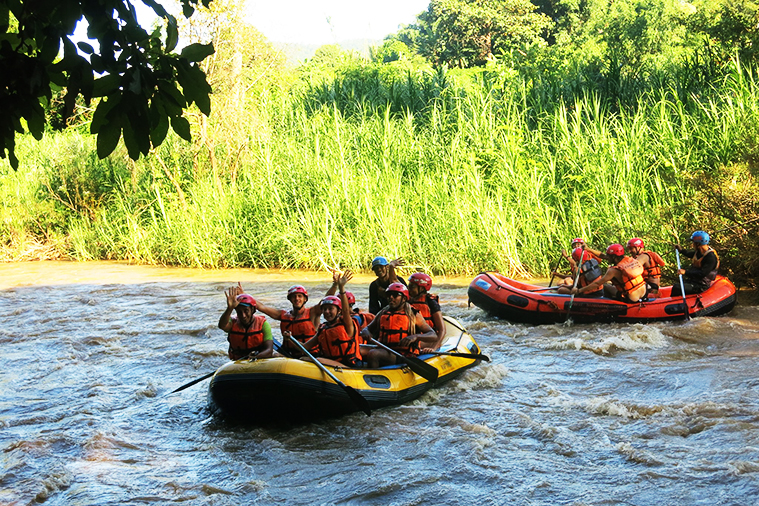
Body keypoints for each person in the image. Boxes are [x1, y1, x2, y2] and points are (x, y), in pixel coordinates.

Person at [360, 282, 437, 368]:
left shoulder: (413, 315)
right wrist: (365, 331)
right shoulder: (383, 313)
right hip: (384, 350)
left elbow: (433, 335)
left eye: (395, 295)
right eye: (388, 295)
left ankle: (372, 378)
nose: (391, 298)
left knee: (373, 354)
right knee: (356, 349)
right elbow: (368, 328)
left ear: (404, 298)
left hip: (403, 355)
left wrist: (415, 337)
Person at [297, 270, 363, 368]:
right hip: (332, 365)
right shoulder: (323, 329)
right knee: (303, 359)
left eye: (330, 309)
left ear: (338, 311)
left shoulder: (346, 325)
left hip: (350, 366)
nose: (327, 312)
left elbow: (345, 310)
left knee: (318, 360)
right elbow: (305, 347)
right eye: (324, 309)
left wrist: (341, 287)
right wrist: (290, 338)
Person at [254, 284, 321, 357]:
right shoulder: (283, 315)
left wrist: (334, 285)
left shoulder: (312, 313)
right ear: (290, 299)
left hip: (309, 355)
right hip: (288, 354)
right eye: (294, 296)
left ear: (305, 299)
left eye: (300, 296)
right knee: (273, 355)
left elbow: (326, 301)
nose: (297, 299)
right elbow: (262, 307)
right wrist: (244, 295)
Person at [572, 243, 646, 303]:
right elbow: (602, 256)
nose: (607, 258)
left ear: (613, 257)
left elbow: (597, 284)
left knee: (605, 286)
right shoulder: (628, 259)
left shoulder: (613, 271)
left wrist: (579, 291)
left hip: (631, 299)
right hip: (644, 294)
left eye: (608, 256)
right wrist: (588, 249)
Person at [218, 289, 274, 360]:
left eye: (246, 311)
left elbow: (269, 350)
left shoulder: (263, 324)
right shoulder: (232, 322)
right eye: (239, 312)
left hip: (259, 359)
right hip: (238, 360)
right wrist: (230, 308)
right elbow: (221, 326)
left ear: (253, 310)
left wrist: (255, 357)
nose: (243, 315)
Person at [672, 230, 720, 296]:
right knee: (678, 284)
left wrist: (685, 272)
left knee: (677, 287)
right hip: (694, 281)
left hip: (702, 285)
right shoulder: (699, 252)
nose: (692, 245)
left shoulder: (711, 257)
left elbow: (702, 274)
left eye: (693, 243)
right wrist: (681, 250)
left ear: (698, 244)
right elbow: (690, 254)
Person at [407, 272, 447, 351]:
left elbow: (442, 330)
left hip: (426, 339)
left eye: (412, 286)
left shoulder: (431, 302)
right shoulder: (406, 300)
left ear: (421, 288)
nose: (409, 288)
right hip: (411, 337)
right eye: (409, 285)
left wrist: (433, 348)